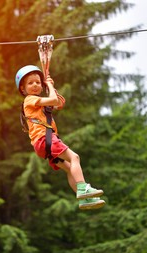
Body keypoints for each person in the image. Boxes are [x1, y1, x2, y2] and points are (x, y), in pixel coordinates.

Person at [15, 65, 105, 210]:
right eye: (30, 83)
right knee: (74, 158)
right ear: (23, 89)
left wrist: (51, 87)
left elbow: (59, 103)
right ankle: (83, 188)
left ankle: (84, 199)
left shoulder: (40, 104)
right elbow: (53, 100)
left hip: (43, 143)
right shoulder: (30, 100)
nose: (35, 85)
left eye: (38, 82)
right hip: (45, 139)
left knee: (70, 168)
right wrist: (49, 85)